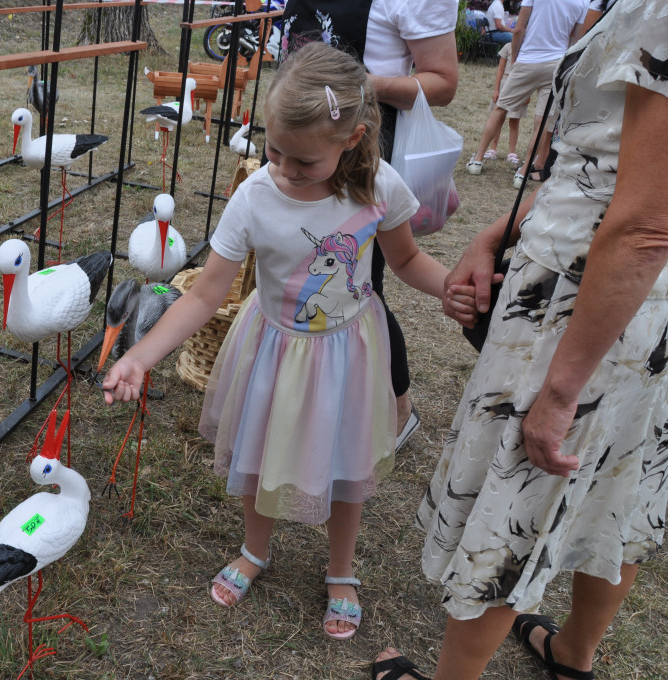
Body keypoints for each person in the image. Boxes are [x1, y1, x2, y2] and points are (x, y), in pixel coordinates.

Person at [104, 43, 475, 641]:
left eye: (302, 161)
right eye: (273, 150)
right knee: (259, 455)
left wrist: (449, 289)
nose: (282, 168)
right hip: (272, 347)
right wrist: (140, 356)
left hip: (349, 354)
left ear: (351, 138)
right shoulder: (255, 196)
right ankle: (256, 549)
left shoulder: (379, 186)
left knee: (346, 464)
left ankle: (341, 571)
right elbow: (202, 296)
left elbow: (406, 260)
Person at [373, 0, 668, 678]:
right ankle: (572, 657)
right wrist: (493, 233)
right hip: (627, 304)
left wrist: (561, 391)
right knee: (619, 485)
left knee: (519, 495)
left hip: (589, 306)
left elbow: (647, 224)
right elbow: (604, 161)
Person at [280, 0, 460, 452]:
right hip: (304, 143)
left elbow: (443, 82)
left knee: (362, 287)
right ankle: (319, 400)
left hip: (353, 157)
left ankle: (396, 407)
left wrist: (347, 88)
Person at [465, 0, 589, 183]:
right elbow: (576, 38)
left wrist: (514, 59)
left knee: (500, 108)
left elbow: (519, 28)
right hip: (556, 64)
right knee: (542, 121)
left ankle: (477, 160)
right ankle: (523, 173)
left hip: (528, 59)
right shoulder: (583, 2)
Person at [482, 43, 526, 166]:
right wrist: (496, 89)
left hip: (520, 87)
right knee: (498, 119)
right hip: (504, 85)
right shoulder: (508, 47)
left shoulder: (529, 49)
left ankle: (511, 153)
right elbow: (500, 69)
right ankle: (493, 149)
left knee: (514, 121)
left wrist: (527, 94)